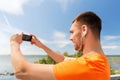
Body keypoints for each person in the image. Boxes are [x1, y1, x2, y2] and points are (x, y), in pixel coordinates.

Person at [10, 11, 110, 80]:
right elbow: (63, 59)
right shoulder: (99, 61)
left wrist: (14, 43)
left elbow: (22, 71)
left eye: (72, 32)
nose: (70, 38)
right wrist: (41, 45)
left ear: (84, 30)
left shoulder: (90, 65)